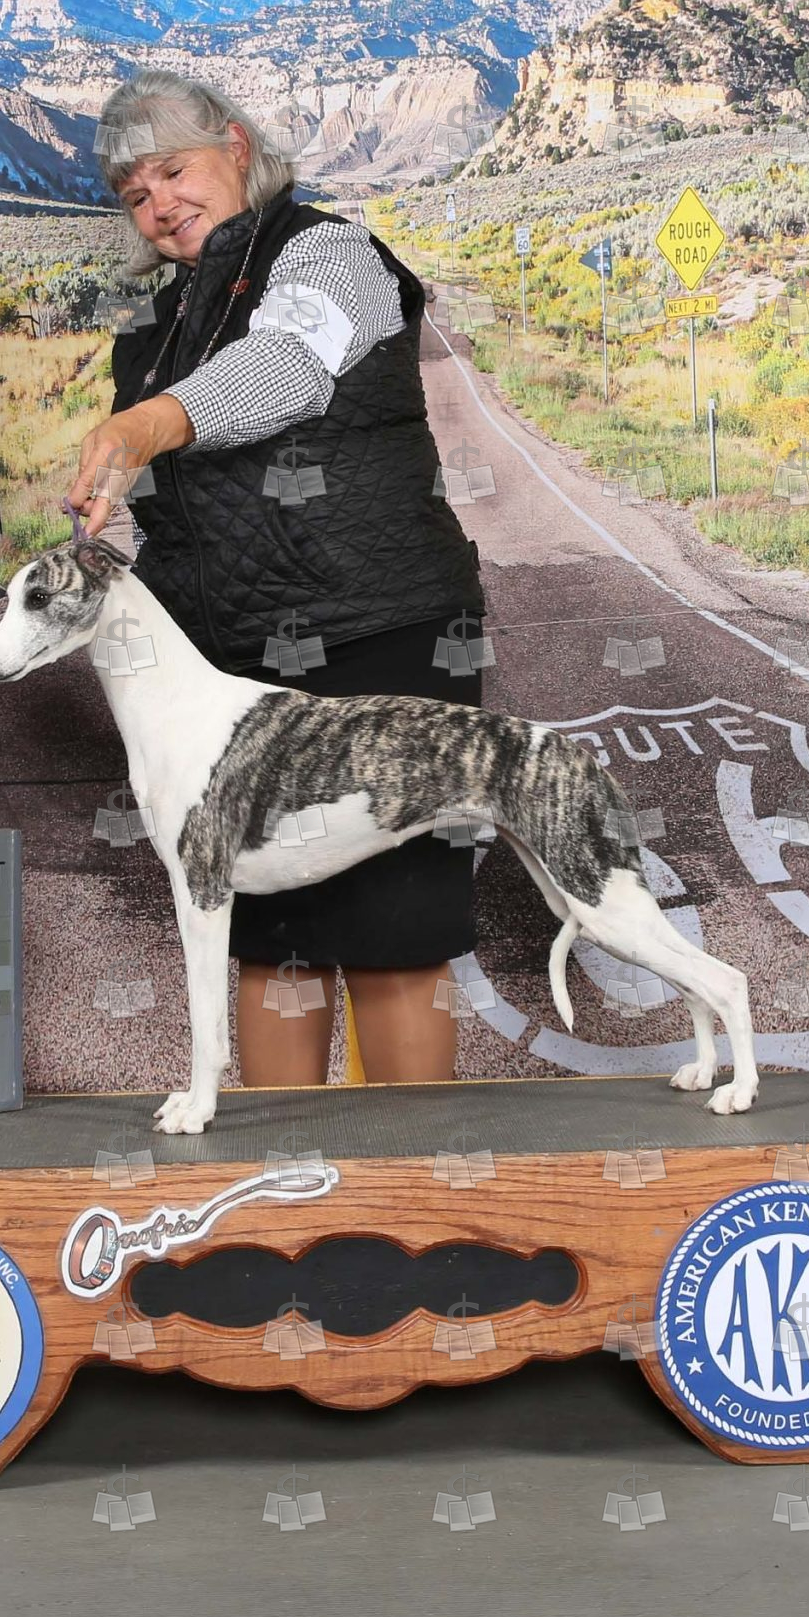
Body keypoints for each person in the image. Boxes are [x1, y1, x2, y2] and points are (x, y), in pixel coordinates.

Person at [65, 70, 487, 1090]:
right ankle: (281, 1174)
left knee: (394, 939)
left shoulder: (330, 253)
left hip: (381, 640)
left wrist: (147, 423)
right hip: (236, 669)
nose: (161, 203)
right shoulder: (161, 321)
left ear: (238, 148)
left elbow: (288, 367)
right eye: (136, 194)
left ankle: (412, 1176)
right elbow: (176, 507)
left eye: (175, 170)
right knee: (270, 945)